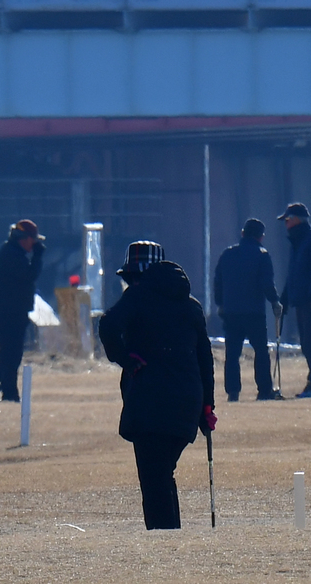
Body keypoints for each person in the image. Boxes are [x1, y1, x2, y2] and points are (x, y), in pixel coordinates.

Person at [98, 241, 216, 530]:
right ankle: (169, 535)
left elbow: (107, 325)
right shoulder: (191, 305)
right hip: (187, 402)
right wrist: (207, 405)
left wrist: (125, 357)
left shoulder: (137, 296)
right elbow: (205, 358)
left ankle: (164, 538)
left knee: (154, 478)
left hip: (151, 401)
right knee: (163, 473)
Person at [213, 217, 281, 401]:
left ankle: (233, 392)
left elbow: (217, 282)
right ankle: (264, 390)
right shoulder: (262, 254)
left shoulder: (227, 254)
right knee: (260, 351)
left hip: (231, 311)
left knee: (232, 354)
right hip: (254, 312)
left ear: (243, 233)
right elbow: (267, 283)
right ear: (261, 237)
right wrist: (275, 301)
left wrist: (220, 303)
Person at [0, 219, 45, 403]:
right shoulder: (11, 255)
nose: (34, 244)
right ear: (23, 238)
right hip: (9, 314)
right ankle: (9, 393)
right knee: (11, 354)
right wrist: (38, 258)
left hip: (11, 312)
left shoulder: (10, 252)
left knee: (9, 353)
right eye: (33, 239)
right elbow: (30, 275)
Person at [279, 202, 311, 398]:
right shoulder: (297, 243)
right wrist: (284, 298)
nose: (285, 224)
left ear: (297, 220)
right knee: (306, 343)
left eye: (287, 220)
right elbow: (293, 274)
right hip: (300, 300)